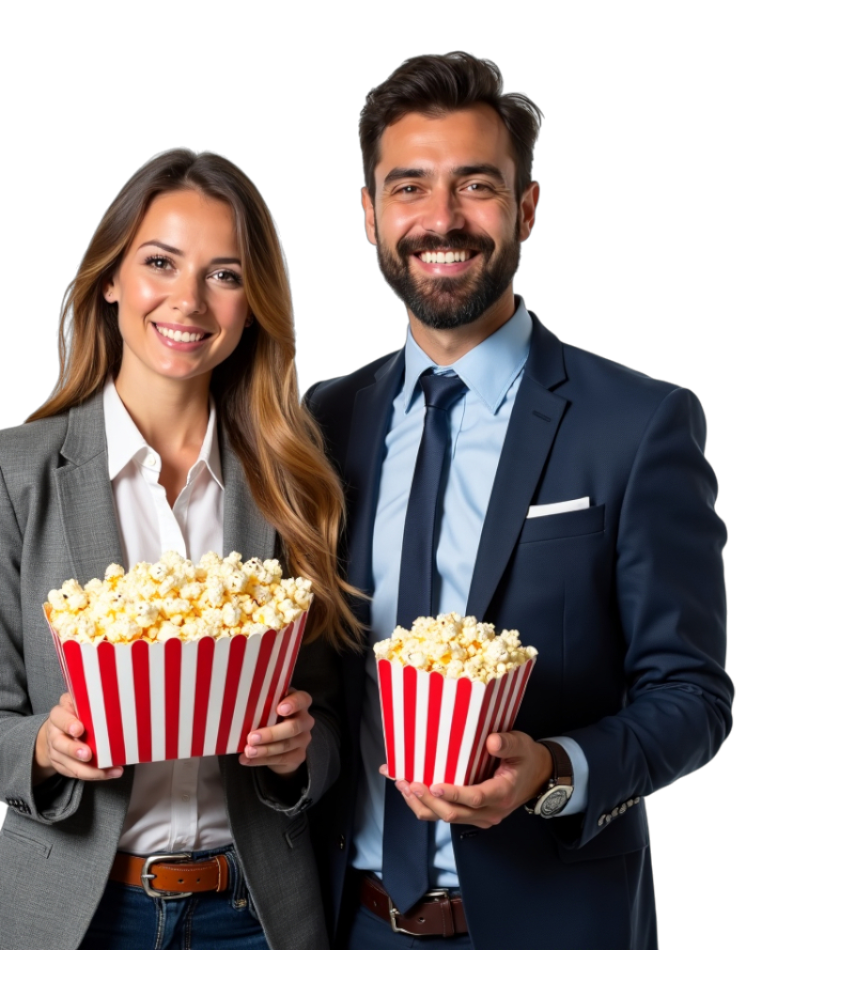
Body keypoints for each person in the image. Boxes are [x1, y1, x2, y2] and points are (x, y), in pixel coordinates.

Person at [305, 52, 732, 950]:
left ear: (526, 209)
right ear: (371, 215)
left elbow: (693, 696)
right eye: (410, 187)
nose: (442, 219)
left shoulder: (638, 424)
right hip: (350, 921)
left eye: (477, 185)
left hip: (555, 924)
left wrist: (554, 771)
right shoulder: (322, 422)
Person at [0, 149, 359, 950]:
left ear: (253, 304)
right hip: (74, 911)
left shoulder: (292, 482)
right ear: (110, 278)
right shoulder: (9, 471)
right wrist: (44, 746)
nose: (188, 300)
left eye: (224, 275)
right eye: (161, 263)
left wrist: (298, 752)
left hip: (253, 914)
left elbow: (331, 719)